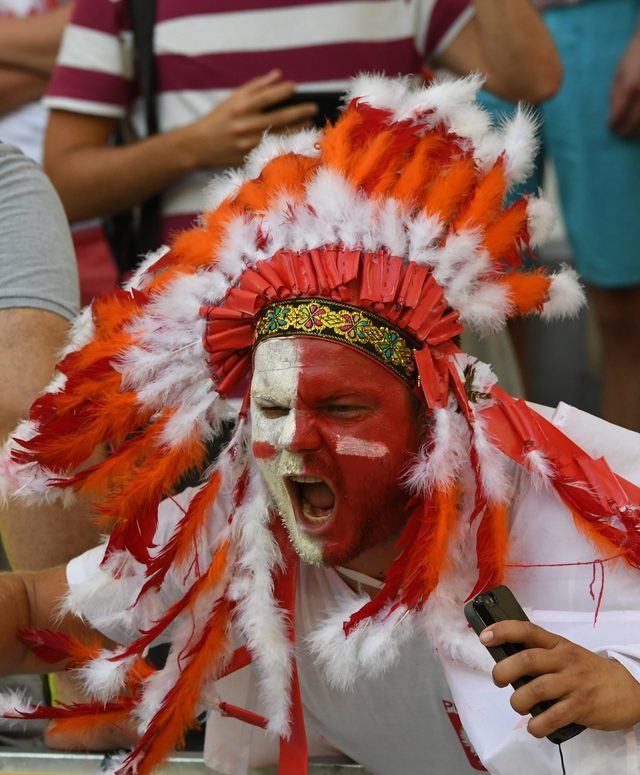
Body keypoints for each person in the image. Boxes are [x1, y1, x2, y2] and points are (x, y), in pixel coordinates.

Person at [2, 75, 640, 775]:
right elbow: (35, 607)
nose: (296, 441)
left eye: (341, 410)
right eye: (273, 410)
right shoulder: (246, 519)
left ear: (434, 417)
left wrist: (632, 687)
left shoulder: (565, 483)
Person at [41, 0, 561, 249]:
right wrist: (192, 148)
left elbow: (533, 77)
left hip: (384, 318)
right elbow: (62, 185)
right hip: (195, 331)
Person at [478, 0, 640, 431]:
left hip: (605, 20)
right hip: (482, 25)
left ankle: (628, 486)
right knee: (492, 292)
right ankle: (513, 476)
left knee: (624, 299)